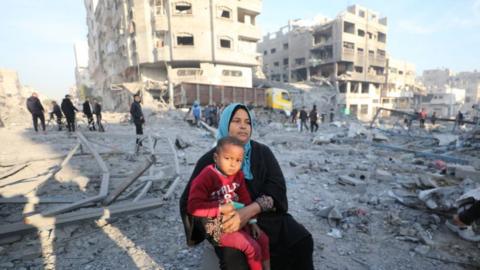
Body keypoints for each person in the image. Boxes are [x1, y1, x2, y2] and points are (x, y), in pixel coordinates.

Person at [180, 103, 314, 270]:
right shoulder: (211, 160)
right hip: (226, 224)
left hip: (261, 217)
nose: (243, 126)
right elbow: (189, 202)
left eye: (247, 122)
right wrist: (215, 221)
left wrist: (249, 212)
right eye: (236, 121)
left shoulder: (263, 152)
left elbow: (277, 188)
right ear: (225, 124)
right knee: (235, 254)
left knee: (300, 238)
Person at [187, 136, 270, 270]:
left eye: (238, 160)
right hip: (213, 226)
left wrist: (252, 221)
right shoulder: (206, 176)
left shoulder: (238, 175)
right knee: (251, 247)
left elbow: (245, 198)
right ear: (216, 158)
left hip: (232, 219)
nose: (233, 164)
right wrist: (220, 209)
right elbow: (193, 207)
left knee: (263, 239)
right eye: (227, 158)